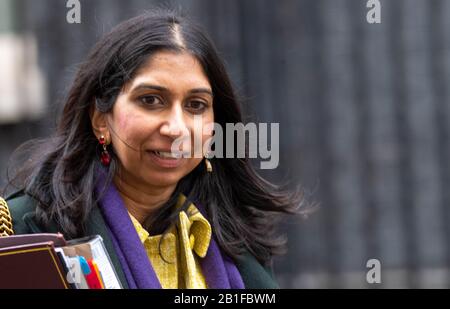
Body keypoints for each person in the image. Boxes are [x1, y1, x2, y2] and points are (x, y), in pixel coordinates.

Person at [3, 9, 300, 289]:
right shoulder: (23, 231)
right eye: (151, 100)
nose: (176, 128)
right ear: (100, 120)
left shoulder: (238, 242)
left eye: (196, 105)